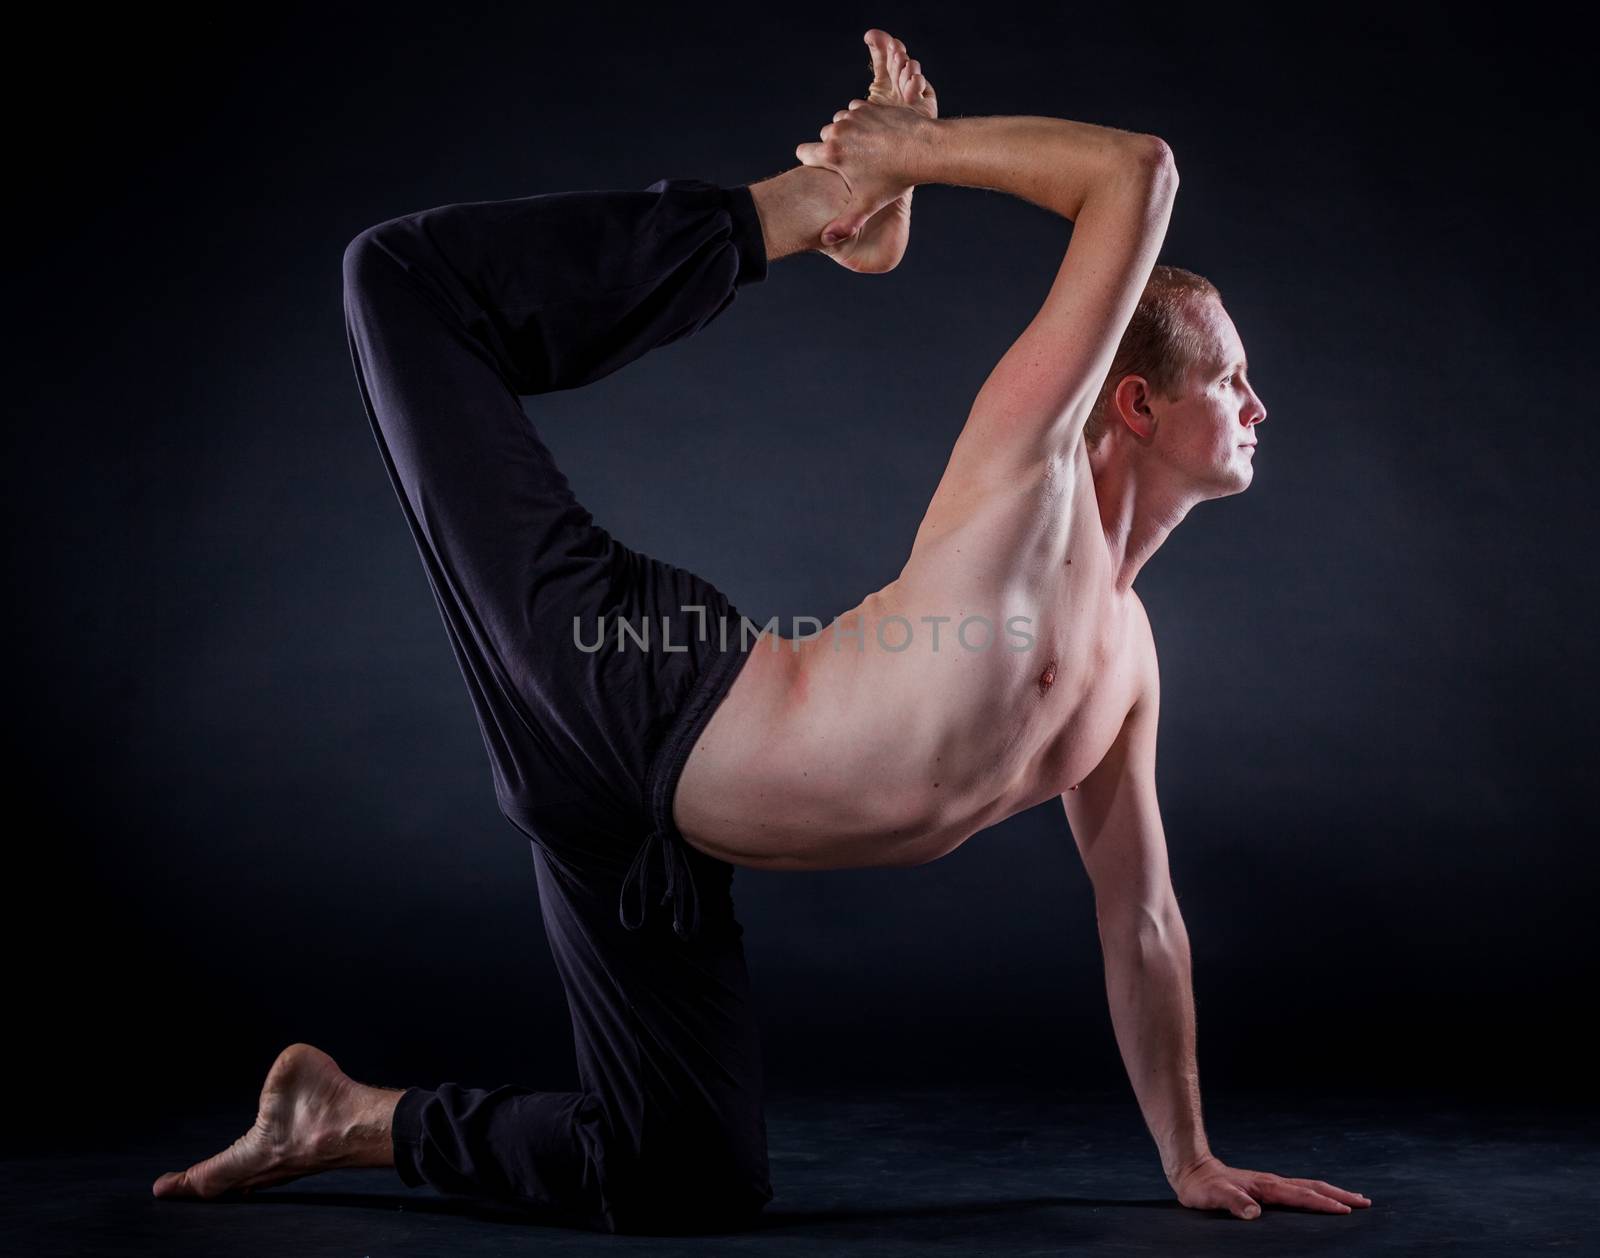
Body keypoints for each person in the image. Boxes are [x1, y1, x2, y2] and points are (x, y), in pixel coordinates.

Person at [153, 28, 1370, 1233]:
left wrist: (1190, 1157)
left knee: (684, 1179)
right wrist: (903, 156)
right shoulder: (1032, 476)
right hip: (631, 684)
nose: (1259, 406)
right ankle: (809, 208)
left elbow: (1140, 915)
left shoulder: (1129, 656)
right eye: (1230, 382)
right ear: (1137, 403)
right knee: (404, 282)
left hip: (645, 837)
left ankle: (338, 1119)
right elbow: (1136, 173)